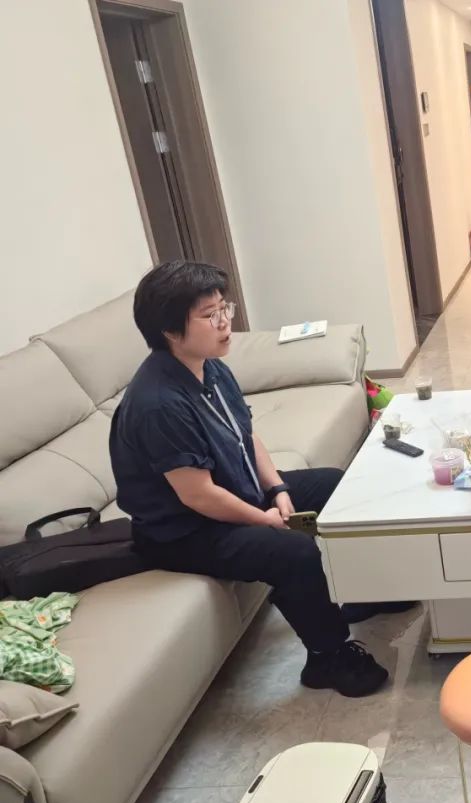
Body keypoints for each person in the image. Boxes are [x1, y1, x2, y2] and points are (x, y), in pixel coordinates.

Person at [110, 260, 403, 698]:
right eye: (209, 315)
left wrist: (277, 489)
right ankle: (327, 657)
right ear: (170, 330)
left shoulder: (209, 366)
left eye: (223, 308)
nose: (225, 322)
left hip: (235, 489)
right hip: (186, 529)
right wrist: (263, 519)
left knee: (335, 484)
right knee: (292, 552)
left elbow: (246, 436)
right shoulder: (158, 404)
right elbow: (198, 496)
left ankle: (368, 590)